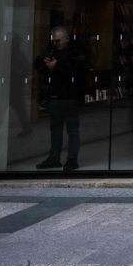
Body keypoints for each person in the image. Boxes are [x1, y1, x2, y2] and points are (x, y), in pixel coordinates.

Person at [33, 26, 90, 171]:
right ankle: (54, 157)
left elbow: (80, 70)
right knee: (56, 129)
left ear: (66, 39)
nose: (55, 43)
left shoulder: (77, 50)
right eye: (54, 40)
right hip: (54, 95)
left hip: (71, 95)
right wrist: (46, 64)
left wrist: (57, 66)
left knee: (72, 129)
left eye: (58, 40)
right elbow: (38, 64)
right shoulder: (51, 48)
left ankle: (72, 159)